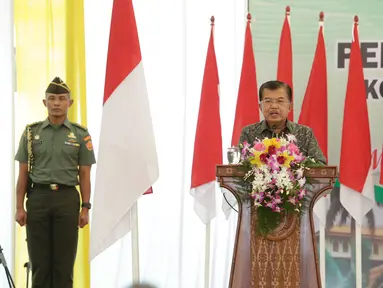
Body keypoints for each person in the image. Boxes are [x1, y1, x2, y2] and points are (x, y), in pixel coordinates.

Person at [14, 77, 96, 288]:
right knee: (39, 265)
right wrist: (19, 207)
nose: (57, 103)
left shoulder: (80, 134)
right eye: (52, 98)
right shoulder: (31, 133)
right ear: (44, 103)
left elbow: (85, 174)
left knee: (64, 264)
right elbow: (23, 173)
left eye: (61, 98)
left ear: (70, 102)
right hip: (38, 198)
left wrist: (85, 207)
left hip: (67, 200)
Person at [239, 80, 326, 164]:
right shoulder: (249, 132)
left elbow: (320, 165)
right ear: (260, 107)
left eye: (280, 101)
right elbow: (239, 167)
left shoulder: (305, 133)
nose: (274, 106)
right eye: (268, 101)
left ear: (289, 107)